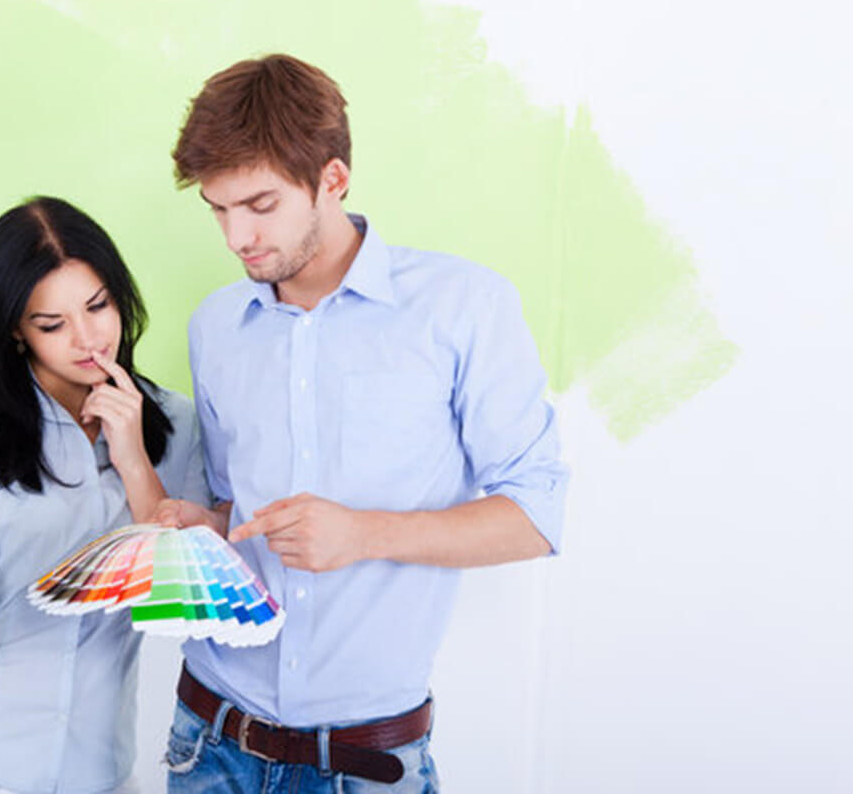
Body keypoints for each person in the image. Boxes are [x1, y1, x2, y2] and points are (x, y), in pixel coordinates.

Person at [152, 55, 570, 792]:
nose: (234, 238)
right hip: (209, 743)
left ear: (332, 180)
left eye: (259, 205)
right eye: (218, 210)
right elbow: (233, 507)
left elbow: (535, 516)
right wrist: (205, 525)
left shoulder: (463, 307)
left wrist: (364, 533)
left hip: (365, 765)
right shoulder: (215, 326)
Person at [0, 196, 209, 794]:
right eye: (52, 325)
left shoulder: (176, 423)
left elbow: (186, 600)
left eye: (99, 306)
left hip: (100, 772)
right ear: (15, 329)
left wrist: (135, 459)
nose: (87, 339)